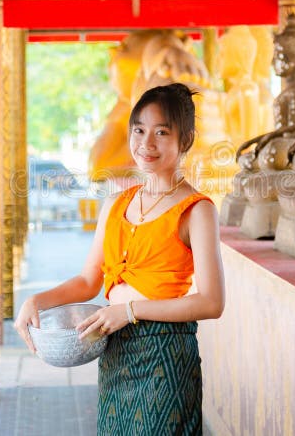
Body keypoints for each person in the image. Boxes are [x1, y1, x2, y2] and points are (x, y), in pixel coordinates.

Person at [15, 83, 225, 435]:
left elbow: (212, 302)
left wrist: (128, 311)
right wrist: (36, 300)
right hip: (115, 352)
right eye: (139, 130)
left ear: (184, 140)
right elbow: (88, 281)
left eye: (162, 132)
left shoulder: (198, 210)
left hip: (166, 354)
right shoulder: (116, 204)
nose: (147, 143)